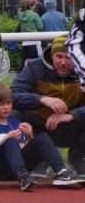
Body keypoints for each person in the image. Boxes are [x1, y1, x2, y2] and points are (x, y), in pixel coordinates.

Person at [0, 82, 81, 190]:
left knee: (42, 138)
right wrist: (6, 138)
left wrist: (30, 137)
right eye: (1, 104)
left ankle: (62, 172)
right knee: (11, 140)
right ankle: (23, 176)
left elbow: (20, 150)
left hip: (16, 168)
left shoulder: (16, 123)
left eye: (8, 103)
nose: (6, 107)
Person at [8, 35, 85, 171]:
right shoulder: (34, 67)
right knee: (13, 114)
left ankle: (76, 158)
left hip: (74, 126)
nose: (63, 62)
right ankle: (39, 157)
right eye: (59, 57)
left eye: (68, 58)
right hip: (41, 125)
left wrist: (72, 115)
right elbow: (11, 96)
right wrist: (41, 99)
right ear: (51, 55)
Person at [17, 0, 45, 64]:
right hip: (35, 42)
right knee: (39, 62)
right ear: (30, 5)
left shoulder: (20, 15)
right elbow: (40, 27)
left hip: (25, 42)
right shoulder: (34, 15)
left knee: (25, 63)